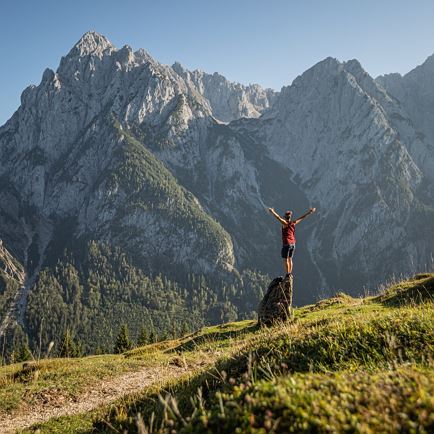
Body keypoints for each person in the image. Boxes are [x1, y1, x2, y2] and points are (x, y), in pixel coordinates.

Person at [268, 207, 316, 278]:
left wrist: (272, 212)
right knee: (290, 259)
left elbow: (278, 218)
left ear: (285, 218)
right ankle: (290, 273)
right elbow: (302, 218)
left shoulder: (285, 223)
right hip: (293, 243)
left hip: (287, 243)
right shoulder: (293, 223)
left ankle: (287, 274)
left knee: (285, 259)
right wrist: (309, 212)